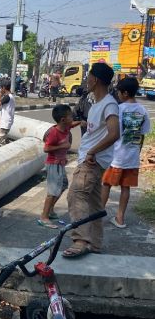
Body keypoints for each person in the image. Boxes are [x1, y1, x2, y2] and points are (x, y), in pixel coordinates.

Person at [63, 63, 120, 259]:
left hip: (91, 161)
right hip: (94, 160)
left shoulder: (109, 104)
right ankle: (95, 243)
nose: (86, 79)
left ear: (95, 79)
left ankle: (81, 241)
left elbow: (114, 133)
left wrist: (92, 152)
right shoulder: (98, 103)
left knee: (76, 195)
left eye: (89, 76)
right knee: (95, 204)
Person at [101, 77, 151, 228]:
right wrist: (137, 152)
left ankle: (97, 215)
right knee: (125, 187)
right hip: (132, 157)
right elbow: (142, 135)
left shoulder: (118, 110)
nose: (117, 94)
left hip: (115, 156)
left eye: (119, 92)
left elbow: (110, 133)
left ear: (126, 93)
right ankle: (120, 218)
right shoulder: (143, 111)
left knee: (106, 184)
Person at [38, 105, 80, 229]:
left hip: (60, 164)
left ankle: (50, 210)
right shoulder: (54, 133)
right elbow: (46, 148)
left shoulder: (66, 127)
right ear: (63, 120)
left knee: (63, 185)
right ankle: (44, 217)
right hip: (53, 164)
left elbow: (72, 124)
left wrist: (81, 123)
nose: (72, 118)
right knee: (52, 191)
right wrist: (62, 146)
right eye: (70, 116)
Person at [0, 79, 15, 146]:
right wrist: (0, 118)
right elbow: (7, 110)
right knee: (3, 140)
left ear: (4, 88)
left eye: (1, 88)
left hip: (5, 124)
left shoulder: (7, 97)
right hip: (6, 121)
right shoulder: (11, 96)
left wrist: (0, 94)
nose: (0, 89)